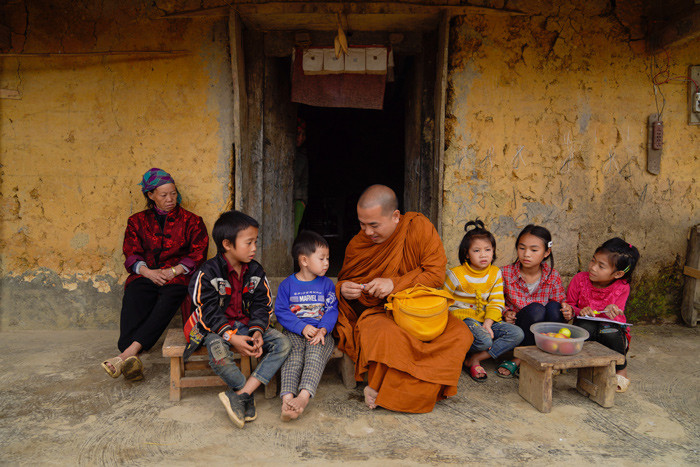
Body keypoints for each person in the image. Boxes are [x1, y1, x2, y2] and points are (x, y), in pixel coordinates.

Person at [335, 184, 472, 414]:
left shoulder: (418, 228)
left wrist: (393, 284)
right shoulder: (358, 244)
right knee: (385, 336)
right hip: (381, 312)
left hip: (420, 311)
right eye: (362, 224)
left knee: (460, 334)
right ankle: (396, 388)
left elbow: (436, 275)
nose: (367, 232)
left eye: (374, 225)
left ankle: (396, 391)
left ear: (396, 216)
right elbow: (345, 281)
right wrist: (344, 289)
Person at [183, 210, 291, 428]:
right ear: (227, 244)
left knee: (283, 343)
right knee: (219, 353)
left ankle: (240, 394)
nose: (254, 248)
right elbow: (207, 310)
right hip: (214, 328)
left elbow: (262, 304)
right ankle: (246, 394)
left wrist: (258, 331)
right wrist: (231, 337)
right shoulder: (209, 272)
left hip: (247, 325)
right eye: (248, 242)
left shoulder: (256, 271)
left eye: (255, 242)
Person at [101, 168, 208, 381]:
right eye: (164, 195)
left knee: (171, 295)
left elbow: (198, 253)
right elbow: (131, 253)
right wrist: (149, 273)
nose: (171, 199)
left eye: (173, 193)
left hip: (177, 276)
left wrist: (173, 271)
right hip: (147, 274)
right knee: (135, 292)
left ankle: (127, 354)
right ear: (150, 195)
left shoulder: (192, 221)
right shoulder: (137, 221)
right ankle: (131, 356)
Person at [444, 220, 523, 382]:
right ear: (467, 253)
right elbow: (442, 300)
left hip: (484, 321)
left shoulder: (495, 273)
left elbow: (496, 301)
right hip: (462, 320)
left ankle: (475, 358)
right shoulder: (455, 274)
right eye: (477, 250)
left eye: (488, 250)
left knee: (516, 334)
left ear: (493, 252)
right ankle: (463, 350)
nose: (483, 254)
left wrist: (488, 323)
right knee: (484, 339)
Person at [275, 231, 338, 421]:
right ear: (304, 260)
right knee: (292, 356)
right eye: (321, 258)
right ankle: (287, 399)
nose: (326, 262)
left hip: (320, 333)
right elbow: (281, 312)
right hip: (295, 331)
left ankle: (303, 397)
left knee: (314, 354)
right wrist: (301, 327)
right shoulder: (287, 285)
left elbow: (332, 310)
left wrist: (323, 329)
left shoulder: (327, 284)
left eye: (328, 258)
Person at [566, 237, 640, 393]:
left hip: (609, 330)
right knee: (585, 325)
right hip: (586, 328)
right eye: (593, 261)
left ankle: (621, 369)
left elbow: (618, 317)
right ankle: (584, 365)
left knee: (610, 331)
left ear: (618, 274)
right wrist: (580, 311)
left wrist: (613, 309)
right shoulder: (580, 280)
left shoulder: (622, 288)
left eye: (601, 266)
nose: (593, 268)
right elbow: (570, 305)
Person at [501, 225, 570, 377]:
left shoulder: (552, 275)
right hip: (521, 326)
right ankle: (521, 357)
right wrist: (506, 312)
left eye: (534, 250)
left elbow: (561, 302)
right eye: (522, 248)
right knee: (536, 309)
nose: (526, 254)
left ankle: (548, 356)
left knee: (554, 307)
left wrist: (567, 310)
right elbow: (497, 301)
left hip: (546, 333)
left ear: (546, 252)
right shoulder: (505, 273)